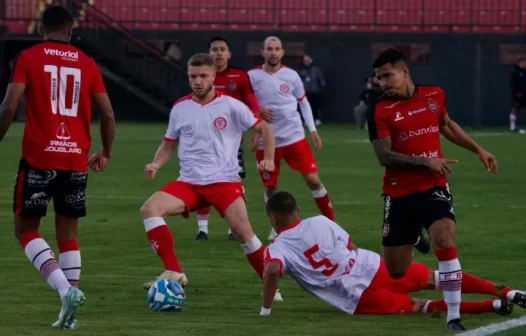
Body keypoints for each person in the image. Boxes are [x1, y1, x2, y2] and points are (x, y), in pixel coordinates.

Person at [0, 5, 115, 330]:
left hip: (39, 158)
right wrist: (105, 152)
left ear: (41, 29)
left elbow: (9, 107)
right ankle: (70, 309)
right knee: (68, 235)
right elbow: (107, 114)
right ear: (71, 29)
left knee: (25, 230)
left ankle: (66, 292)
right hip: (75, 159)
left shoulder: (29, 57)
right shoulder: (87, 63)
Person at [367, 48, 498, 331]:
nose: (383, 82)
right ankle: (414, 236)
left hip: (434, 186)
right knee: (397, 271)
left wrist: (478, 149)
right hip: (398, 193)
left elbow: (446, 125)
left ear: (405, 72)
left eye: (387, 75)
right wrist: (426, 161)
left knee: (444, 238)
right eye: (379, 78)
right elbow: (384, 157)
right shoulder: (378, 109)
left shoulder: (434, 95)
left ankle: (453, 316)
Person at [139, 53, 283, 302]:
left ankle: (272, 286)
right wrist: (156, 163)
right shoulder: (180, 108)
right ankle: (174, 271)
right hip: (189, 183)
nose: (198, 81)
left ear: (213, 76)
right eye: (193, 76)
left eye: (203, 76)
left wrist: (267, 157)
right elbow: (168, 144)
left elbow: (265, 128)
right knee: (150, 209)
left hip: (224, 182)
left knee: (243, 232)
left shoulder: (231, 105)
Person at [260, 192, 526, 319]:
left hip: (355, 293)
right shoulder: (320, 220)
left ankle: (489, 307)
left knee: (419, 306)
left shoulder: (278, 247)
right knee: (440, 278)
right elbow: (350, 245)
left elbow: (272, 270)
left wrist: (266, 309)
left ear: (273, 218)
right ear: (297, 209)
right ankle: (506, 293)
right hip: (371, 265)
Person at [248, 36, 334, 241]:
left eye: (277, 49)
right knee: (270, 186)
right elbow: (242, 104)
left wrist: (312, 129)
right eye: (269, 48)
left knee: (313, 179)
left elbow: (303, 103)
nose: (273, 52)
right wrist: (257, 113)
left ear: (282, 52)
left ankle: (331, 222)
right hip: (265, 140)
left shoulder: (292, 75)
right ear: (262, 52)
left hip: (294, 136)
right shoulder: (251, 76)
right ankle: (276, 226)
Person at [195, 36, 261, 242]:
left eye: (222, 49)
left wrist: (257, 129)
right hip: (203, 142)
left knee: (232, 185)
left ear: (229, 54)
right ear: (208, 54)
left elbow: (252, 103)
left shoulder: (240, 76)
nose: (218, 53)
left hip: (232, 144)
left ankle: (233, 229)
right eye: (214, 49)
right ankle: (202, 230)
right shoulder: (201, 77)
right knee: (201, 183)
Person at [298, 54, 326, 126]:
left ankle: (317, 119)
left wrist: (322, 86)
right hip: (305, 92)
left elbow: (321, 79)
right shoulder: (301, 71)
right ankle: (305, 121)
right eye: (305, 61)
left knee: (315, 107)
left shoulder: (316, 70)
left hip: (315, 92)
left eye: (307, 60)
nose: (306, 62)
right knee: (305, 107)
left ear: (310, 60)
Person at [509, 58, 526, 132]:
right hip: (518, 95)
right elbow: (513, 85)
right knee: (514, 109)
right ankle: (512, 127)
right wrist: (517, 94)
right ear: (519, 63)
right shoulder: (515, 72)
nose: (524, 64)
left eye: (525, 63)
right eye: (522, 63)